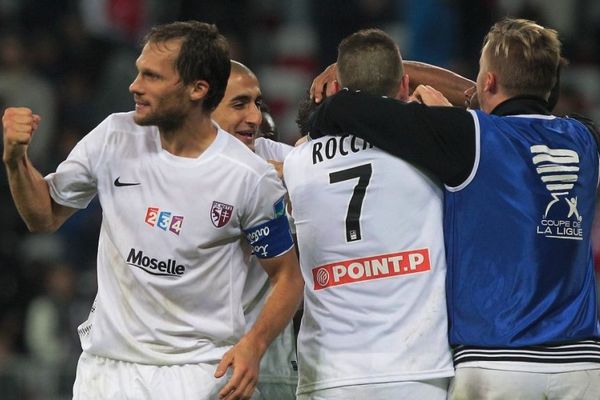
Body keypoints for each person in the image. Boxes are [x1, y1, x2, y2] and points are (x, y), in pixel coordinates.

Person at [2, 20, 304, 400]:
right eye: (138, 72)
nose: (135, 85)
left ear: (197, 89)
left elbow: (287, 277)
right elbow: (43, 215)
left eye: (152, 76)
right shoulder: (114, 136)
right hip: (106, 369)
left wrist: (254, 345)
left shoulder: (249, 177)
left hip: (199, 372)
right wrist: (16, 158)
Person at [309, 18, 600, 399]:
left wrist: (418, 92)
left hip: (496, 359)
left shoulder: (469, 134)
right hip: (582, 365)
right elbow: (507, 101)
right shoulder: (586, 138)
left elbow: (344, 108)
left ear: (489, 81)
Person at [284, 28, 453, 399]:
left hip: (329, 373)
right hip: (415, 370)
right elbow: (490, 97)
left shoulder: (297, 162)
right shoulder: (432, 146)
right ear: (405, 84)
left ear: (336, 90)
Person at [211, 60, 298, 400]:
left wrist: (295, 179)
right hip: (196, 356)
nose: (255, 117)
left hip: (269, 358)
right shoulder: (167, 163)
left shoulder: (275, 157)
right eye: (239, 103)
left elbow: (338, 182)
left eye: (257, 103)